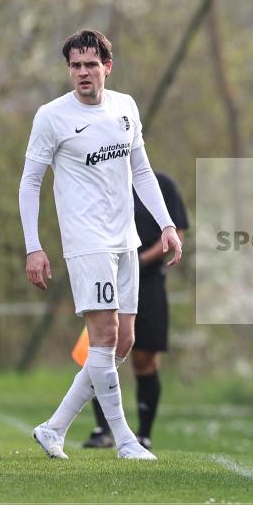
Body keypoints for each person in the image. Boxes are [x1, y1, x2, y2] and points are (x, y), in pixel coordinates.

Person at [19, 30, 182, 461]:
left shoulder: (125, 107)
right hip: (86, 241)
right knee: (104, 336)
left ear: (107, 66)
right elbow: (30, 182)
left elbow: (141, 171)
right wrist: (33, 246)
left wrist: (166, 224)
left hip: (125, 239)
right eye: (75, 65)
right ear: (69, 70)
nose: (83, 73)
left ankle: (54, 428)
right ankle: (126, 439)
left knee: (123, 341)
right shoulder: (51, 116)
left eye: (91, 64)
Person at [83, 171, 189, 450]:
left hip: (149, 281)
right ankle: (102, 429)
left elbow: (177, 231)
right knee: (102, 348)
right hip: (108, 277)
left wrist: (138, 260)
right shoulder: (102, 180)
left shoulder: (162, 185)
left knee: (145, 358)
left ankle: (143, 433)